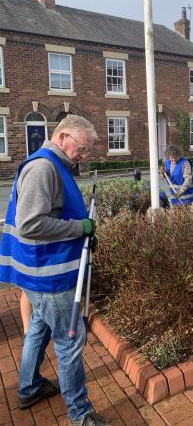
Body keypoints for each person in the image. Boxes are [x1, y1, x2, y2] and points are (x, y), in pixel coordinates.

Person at [0, 115, 110, 426]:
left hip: (40, 274)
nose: (84, 156)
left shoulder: (53, 165)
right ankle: (80, 413)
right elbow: (31, 223)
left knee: (38, 328)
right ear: (62, 138)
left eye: (87, 151)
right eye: (83, 149)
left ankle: (30, 387)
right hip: (50, 276)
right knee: (69, 341)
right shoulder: (43, 168)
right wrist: (81, 227)